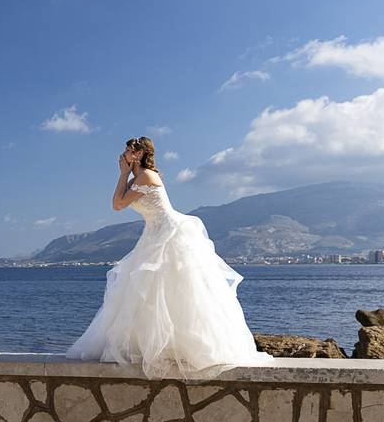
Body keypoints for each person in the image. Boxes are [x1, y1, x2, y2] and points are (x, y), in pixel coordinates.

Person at [66, 136, 272, 378]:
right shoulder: (136, 178)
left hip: (169, 234)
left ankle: (186, 348)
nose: (123, 154)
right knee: (148, 293)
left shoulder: (146, 176)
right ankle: (155, 346)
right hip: (153, 234)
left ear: (140, 154)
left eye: (128, 151)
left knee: (176, 290)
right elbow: (116, 204)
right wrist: (123, 173)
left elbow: (119, 205)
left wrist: (123, 173)